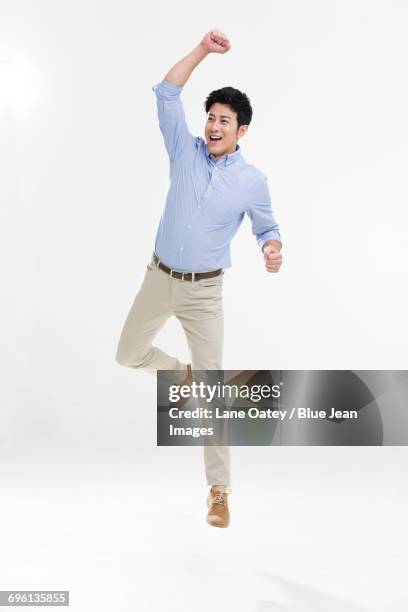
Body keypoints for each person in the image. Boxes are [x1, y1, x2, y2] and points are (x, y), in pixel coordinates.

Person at [116, 29, 283, 528]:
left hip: (205, 291)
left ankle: (218, 490)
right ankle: (180, 374)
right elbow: (167, 91)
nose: (212, 125)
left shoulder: (252, 181)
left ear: (241, 130)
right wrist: (202, 52)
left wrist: (271, 247)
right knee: (128, 354)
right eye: (210, 117)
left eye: (223, 121)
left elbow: (266, 226)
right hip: (158, 277)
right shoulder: (184, 152)